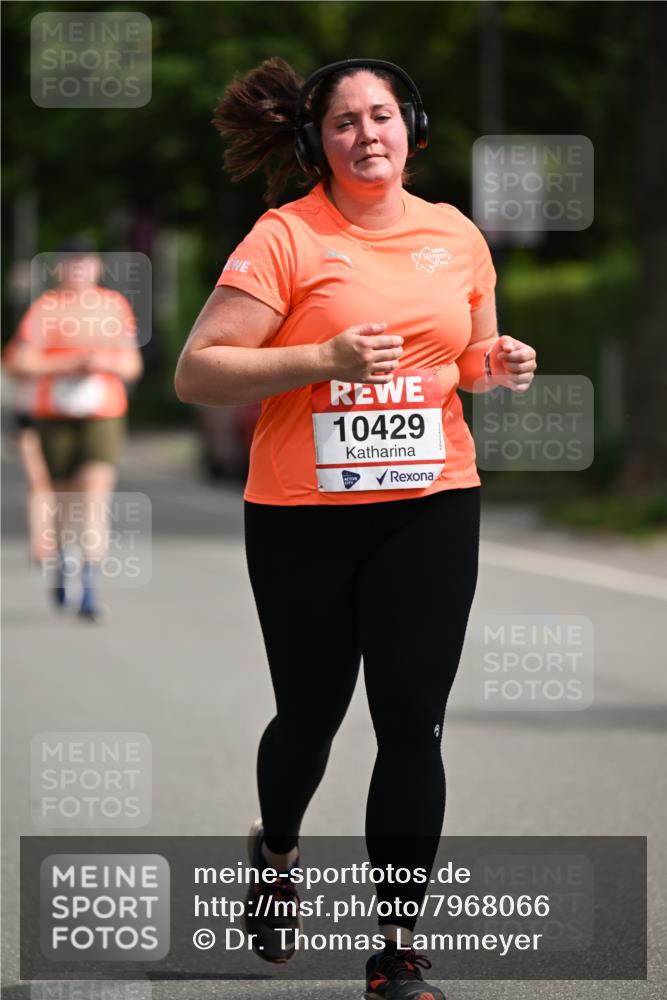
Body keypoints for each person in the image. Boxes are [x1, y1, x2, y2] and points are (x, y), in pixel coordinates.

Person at [175, 57, 537, 1000]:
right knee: (311, 716)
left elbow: (465, 360)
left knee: (411, 721)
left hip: (430, 503)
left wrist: (496, 363)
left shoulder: (455, 235)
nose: (366, 134)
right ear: (315, 143)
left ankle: (397, 948)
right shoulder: (286, 236)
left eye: (382, 116)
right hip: (303, 516)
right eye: (343, 122)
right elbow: (199, 371)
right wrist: (322, 357)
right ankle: (279, 852)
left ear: (411, 128)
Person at [6, 239, 143, 620]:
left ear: (96, 268)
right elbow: (18, 362)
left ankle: (90, 586)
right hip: (54, 415)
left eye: (85, 264)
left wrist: (102, 362)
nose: (78, 271)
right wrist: (66, 365)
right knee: (64, 499)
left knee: (96, 495)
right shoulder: (46, 309)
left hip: (103, 413)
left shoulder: (114, 306)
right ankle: (65, 561)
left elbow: (132, 365)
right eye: (71, 264)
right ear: (60, 270)